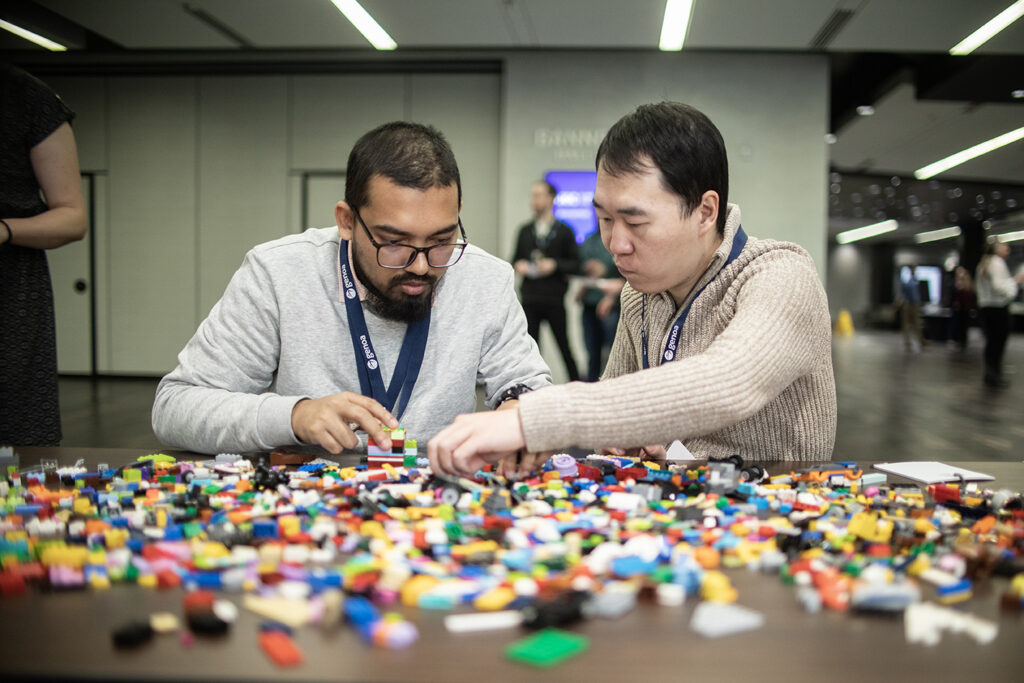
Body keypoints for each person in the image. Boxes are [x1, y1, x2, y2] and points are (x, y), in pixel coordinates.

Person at [429, 101, 837, 477]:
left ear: (705, 211)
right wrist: (628, 443)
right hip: (689, 513)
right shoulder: (639, 296)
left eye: (636, 223)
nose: (616, 244)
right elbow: (615, 412)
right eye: (604, 219)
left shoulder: (781, 276)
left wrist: (532, 419)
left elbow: (729, 382)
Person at [153, 122, 551, 454]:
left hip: (438, 502)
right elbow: (175, 408)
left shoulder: (485, 278)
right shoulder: (278, 273)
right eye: (393, 243)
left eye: (441, 240)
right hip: (312, 507)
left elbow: (528, 384)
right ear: (346, 221)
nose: (421, 265)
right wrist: (294, 416)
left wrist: (519, 411)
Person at [0, 64, 88, 446]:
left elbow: (73, 217)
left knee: (16, 441)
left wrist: (5, 230)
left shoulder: (24, 96)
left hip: (9, 290)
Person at [512, 181, 581, 381]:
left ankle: (578, 387)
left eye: (539, 195)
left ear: (551, 198)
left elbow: (575, 264)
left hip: (554, 298)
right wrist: (520, 265)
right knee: (529, 350)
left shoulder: (564, 231)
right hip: (530, 298)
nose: (535, 200)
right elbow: (514, 259)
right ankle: (531, 388)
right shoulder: (525, 231)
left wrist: (554, 265)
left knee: (564, 347)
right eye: (533, 195)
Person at [577, 229, 624, 381]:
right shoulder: (590, 240)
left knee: (613, 353)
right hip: (590, 302)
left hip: (611, 305)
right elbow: (579, 263)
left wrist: (612, 297)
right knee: (592, 353)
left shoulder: (620, 239)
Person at [975, 240, 1022, 388]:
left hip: (986, 308)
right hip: (998, 308)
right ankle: (994, 374)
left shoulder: (984, 263)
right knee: (997, 343)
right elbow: (999, 286)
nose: (1007, 249)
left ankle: (991, 374)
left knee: (991, 343)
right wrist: (1015, 283)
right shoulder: (996, 263)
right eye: (1004, 246)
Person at [896, 265, 925, 352]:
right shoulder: (907, 279)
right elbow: (904, 291)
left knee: (917, 323)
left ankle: (920, 341)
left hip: (915, 304)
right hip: (908, 303)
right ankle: (907, 342)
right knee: (907, 323)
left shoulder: (914, 279)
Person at [949, 265, 975, 352]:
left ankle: (963, 340)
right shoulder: (957, 283)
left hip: (965, 308)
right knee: (959, 324)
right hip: (959, 308)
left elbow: (970, 294)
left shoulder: (966, 283)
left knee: (964, 325)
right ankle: (958, 339)